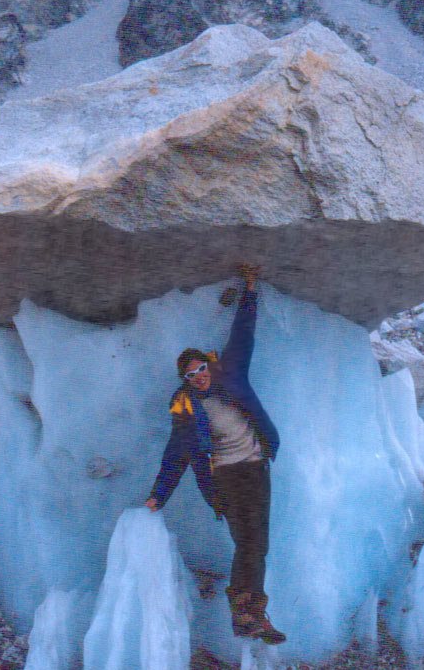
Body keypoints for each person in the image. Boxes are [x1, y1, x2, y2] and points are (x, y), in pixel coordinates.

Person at [145, 265, 286, 644]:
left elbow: (243, 335)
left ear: (209, 364)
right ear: (186, 381)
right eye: (191, 375)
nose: (199, 376)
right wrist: (158, 495)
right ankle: (246, 612)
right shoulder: (186, 410)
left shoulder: (232, 375)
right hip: (226, 477)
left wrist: (251, 289)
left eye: (201, 369)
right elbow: (176, 456)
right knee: (249, 542)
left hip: (256, 468)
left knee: (258, 543)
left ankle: (251, 613)